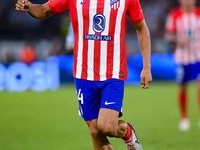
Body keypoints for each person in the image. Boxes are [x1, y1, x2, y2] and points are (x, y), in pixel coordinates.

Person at [15, 0, 152, 149]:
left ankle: (127, 132)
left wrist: (146, 67)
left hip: (113, 72)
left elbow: (141, 28)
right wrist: (29, 8)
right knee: (95, 132)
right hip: (83, 73)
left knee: (106, 126)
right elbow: (43, 10)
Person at [165, 0, 200, 131]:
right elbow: (168, 36)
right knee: (183, 87)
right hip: (181, 58)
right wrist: (178, 39)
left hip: (198, 57)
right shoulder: (174, 15)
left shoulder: (198, 15)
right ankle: (184, 117)